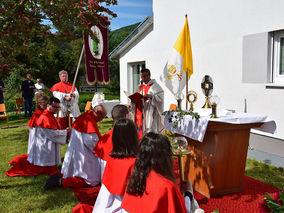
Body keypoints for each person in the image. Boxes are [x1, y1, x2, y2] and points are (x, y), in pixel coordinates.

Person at [121, 132, 202, 213]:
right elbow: (183, 210)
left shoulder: (135, 180)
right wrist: (189, 193)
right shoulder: (167, 186)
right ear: (164, 157)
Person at [92, 118, 139, 212]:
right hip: (126, 205)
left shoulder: (111, 160)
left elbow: (107, 188)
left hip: (106, 205)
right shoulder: (135, 162)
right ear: (133, 136)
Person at [58, 104, 107, 188]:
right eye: (102, 117)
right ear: (97, 113)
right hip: (84, 152)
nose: (101, 120)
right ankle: (62, 182)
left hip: (77, 148)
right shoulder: (89, 121)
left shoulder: (84, 116)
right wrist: (100, 150)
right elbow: (90, 141)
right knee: (91, 179)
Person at [27, 97, 70, 173]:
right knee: (46, 167)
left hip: (46, 143)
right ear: (48, 105)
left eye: (58, 107)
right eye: (54, 107)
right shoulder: (45, 117)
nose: (56, 109)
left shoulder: (49, 115)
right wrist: (65, 131)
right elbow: (53, 135)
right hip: (45, 145)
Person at [94, 104, 130, 180]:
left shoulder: (105, 137)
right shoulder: (131, 136)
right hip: (124, 180)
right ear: (127, 116)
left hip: (106, 179)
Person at [131, 68, 164, 138]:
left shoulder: (155, 86)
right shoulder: (139, 86)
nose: (143, 79)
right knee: (139, 129)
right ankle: (139, 140)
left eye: (144, 76)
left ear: (149, 75)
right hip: (139, 111)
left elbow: (161, 98)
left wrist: (151, 96)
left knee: (149, 130)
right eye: (141, 77)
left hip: (149, 113)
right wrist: (133, 100)